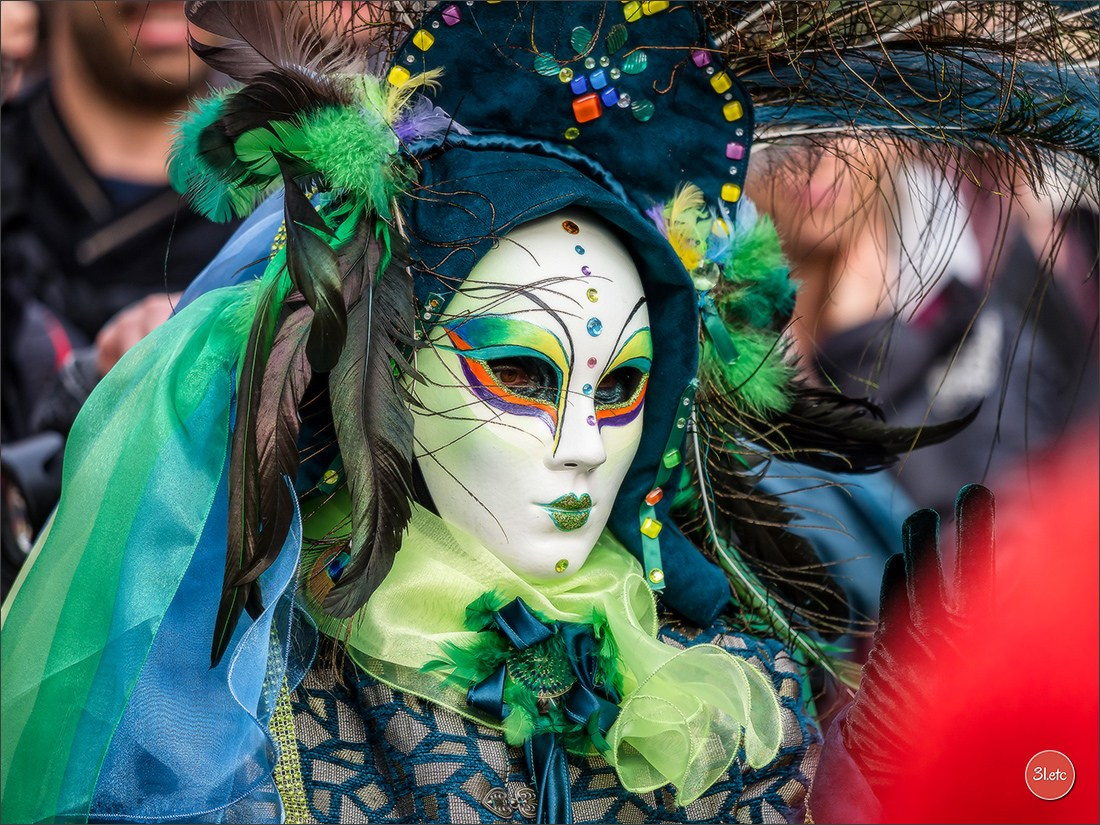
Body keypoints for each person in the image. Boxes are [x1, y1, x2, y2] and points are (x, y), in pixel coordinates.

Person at [2, 3, 1096, 823]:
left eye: (619, 386)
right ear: (386, 365)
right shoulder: (232, 702)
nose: (581, 447)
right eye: (520, 372)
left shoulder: (735, 706)